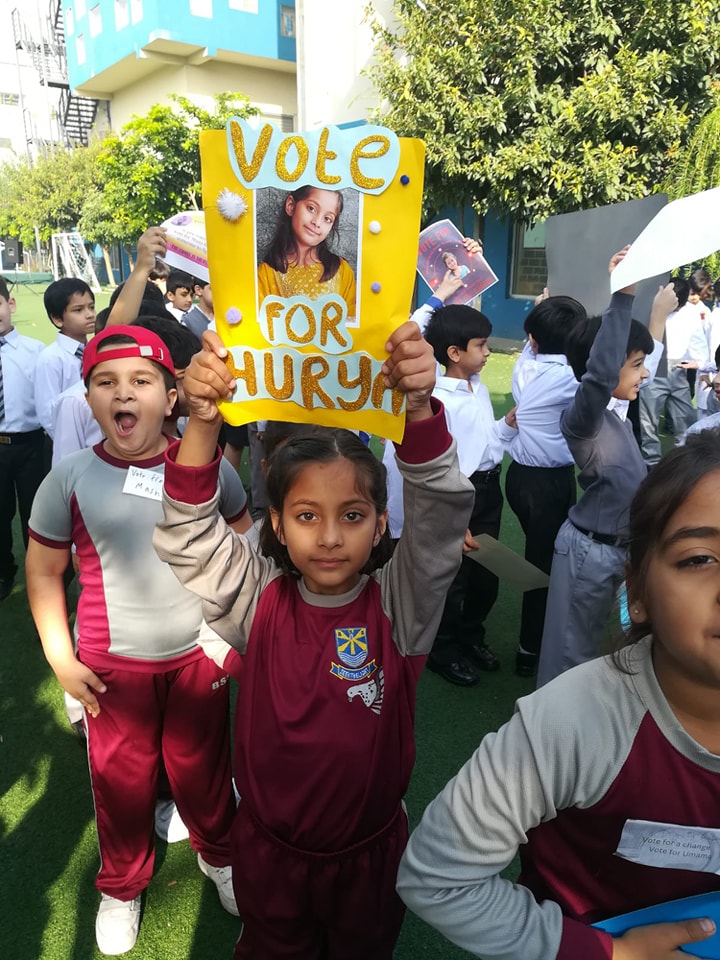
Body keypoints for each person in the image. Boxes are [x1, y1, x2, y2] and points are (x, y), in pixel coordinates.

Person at [152, 321, 474, 960]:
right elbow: (189, 537)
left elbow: (438, 523)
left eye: (352, 516)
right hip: (271, 853)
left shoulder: (398, 608)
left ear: (381, 522)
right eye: (307, 516)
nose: (329, 537)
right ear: (276, 521)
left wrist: (416, 408)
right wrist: (204, 423)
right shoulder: (258, 600)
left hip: (370, 855)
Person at [397, 429, 720, 960]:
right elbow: (437, 877)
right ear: (636, 593)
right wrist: (604, 954)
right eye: (698, 558)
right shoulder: (574, 722)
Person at [25, 325, 252, 956]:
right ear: (89, 399)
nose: (124, 394)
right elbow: (44, 571)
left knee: (204, 769)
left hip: (197, 657)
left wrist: (226, 630)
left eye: (141, 381)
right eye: (107, 383)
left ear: (172, 395)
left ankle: (220, 855)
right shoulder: (67, 478)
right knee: (121, 782)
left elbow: (243, 534)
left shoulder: (207, 468)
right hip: (109, 665)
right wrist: (60, 659)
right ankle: (122, 886)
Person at [537, 253, 677, 687]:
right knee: (569, 654)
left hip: (619, 551)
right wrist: (623, 294)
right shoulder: (585, 418)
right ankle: (550, 739)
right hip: (589, 554)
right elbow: (600, 375)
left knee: (607, 647)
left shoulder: (615, 416)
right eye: (634, 365)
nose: (642, 375)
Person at [414, 303, 509, 685]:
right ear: (454, 353)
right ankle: (443, 649)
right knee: (453, 580)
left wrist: (508, 425)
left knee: (486, 575)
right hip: (458, 498)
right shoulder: (439, 401)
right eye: (481, 346)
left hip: (489, 491)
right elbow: (440, 464)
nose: (487, 353)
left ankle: (472, 636)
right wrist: (456, 515)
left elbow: (487, 441)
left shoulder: (478, 389)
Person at [499, 295, 584, 677]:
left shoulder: (524, 367)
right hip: (549, 484)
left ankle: (532, 643)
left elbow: (534, 348)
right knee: (544, 568)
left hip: (517, 476)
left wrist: (540, 311)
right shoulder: (571, 378)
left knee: (540, 556)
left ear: (532, 340)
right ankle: (529, 650)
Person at [0, 275, 45, 601]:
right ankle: (5, 571)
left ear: (9, 304)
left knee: (34, 515)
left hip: (30, 445)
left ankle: (39, 574)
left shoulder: (36, 352)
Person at [257, 185, 357, 318]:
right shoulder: (266, 273)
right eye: (311, 208)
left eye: (327, 219)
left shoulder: (342, 271)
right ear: (291, 205)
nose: (317, 223)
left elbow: (353, 326)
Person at [637, 276, 695, 462]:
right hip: (654, 366)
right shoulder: (650, 309)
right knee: (648, 421)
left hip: (679, 368)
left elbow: (697, 340)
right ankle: (651, 462)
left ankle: (684, 460)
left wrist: (697, 362)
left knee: (685, 417)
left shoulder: (691, 313)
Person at [35, 277, 96, 439]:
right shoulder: (51, 358)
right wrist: (70, 440)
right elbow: (47, 413)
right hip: (65, 440)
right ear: (57, 319)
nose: (89, 315)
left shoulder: (96, 351)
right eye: (78, 310)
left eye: (91, 307)